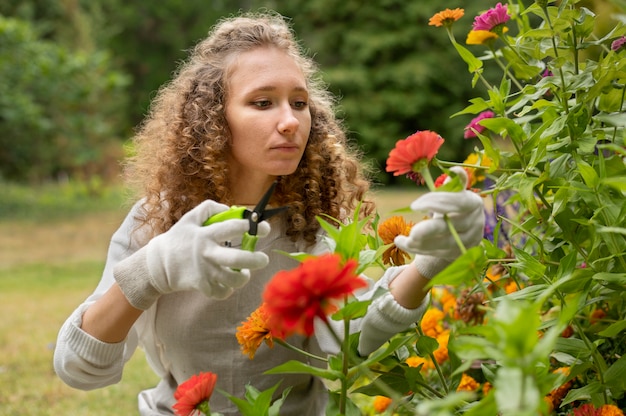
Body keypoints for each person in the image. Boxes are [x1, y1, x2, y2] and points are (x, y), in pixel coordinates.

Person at [53, 11, 485, 416]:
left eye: (299, 103)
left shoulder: (310, 224)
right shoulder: (159, 220)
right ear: (213, 119)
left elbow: (348, 342)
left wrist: (427, 267)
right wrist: (150, 270)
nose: (291, 121)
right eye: (263, 103)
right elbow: (78, 368)